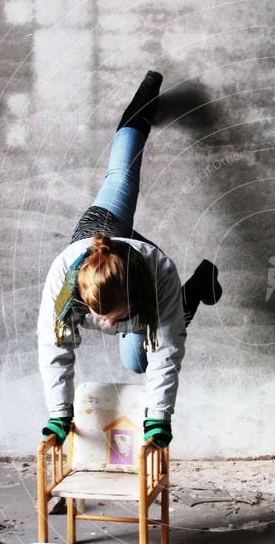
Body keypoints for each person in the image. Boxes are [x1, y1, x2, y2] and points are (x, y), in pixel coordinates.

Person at [36, 71, 221, 450]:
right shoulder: (62, 278)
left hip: (139, 270)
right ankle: (200, 284)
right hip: (100, 232)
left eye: (114, 317)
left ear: (133, 300)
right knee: (135, 363)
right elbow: (53, 347)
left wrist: (158, 420)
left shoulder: (158, 273)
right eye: (97, 315)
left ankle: (146, 94)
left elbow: (167, 350)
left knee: (123, 172)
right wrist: (58, 414)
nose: (103, 324)